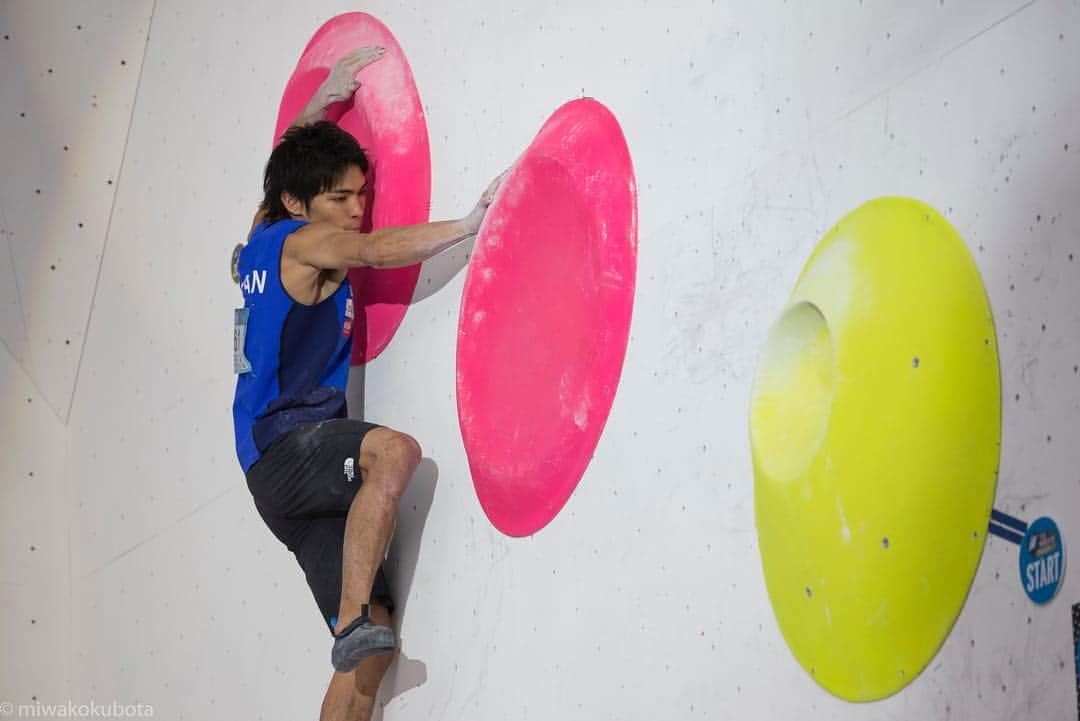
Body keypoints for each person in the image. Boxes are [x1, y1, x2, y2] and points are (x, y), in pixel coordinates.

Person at [231, 47, 501, 721]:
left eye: (361, 194)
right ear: (301, 204)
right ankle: (354, 619)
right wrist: (471, 226)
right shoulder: (303, 239)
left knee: (371, 655)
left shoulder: (262, 236)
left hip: (274, 481)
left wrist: (319, 104)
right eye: (340, 197)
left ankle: (357, 625)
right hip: (292, 445)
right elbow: (376, 251)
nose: (356, 210)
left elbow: (281, 180)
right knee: (396, 452)